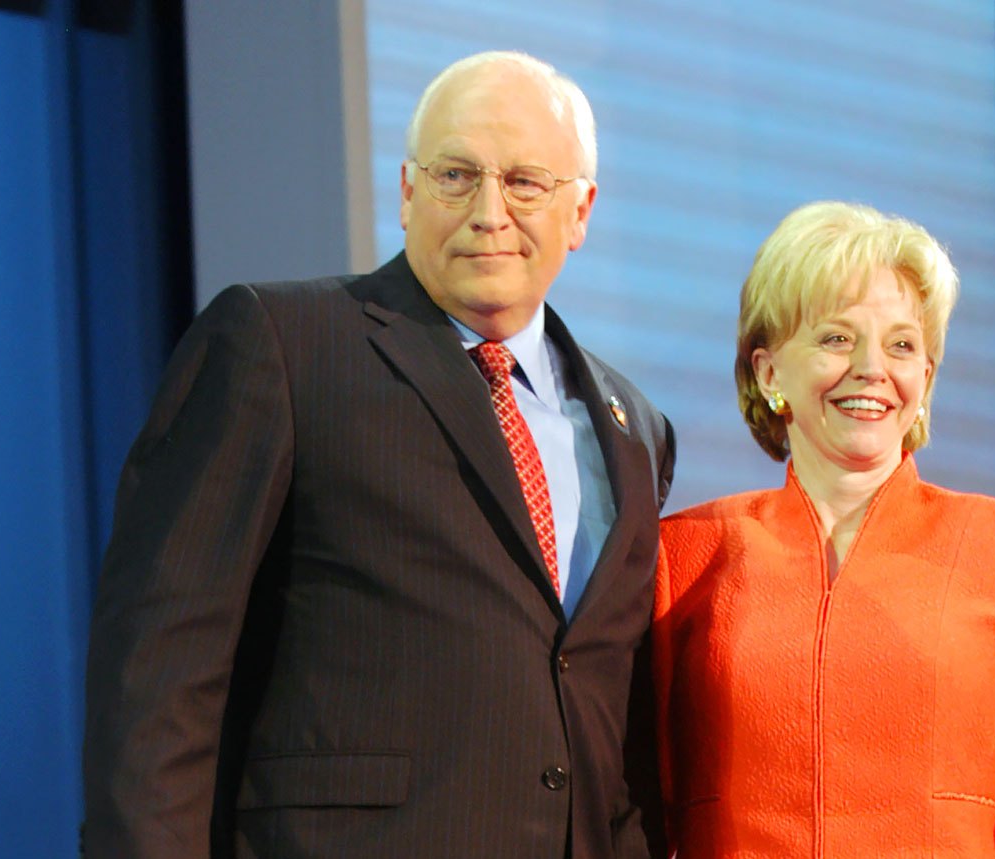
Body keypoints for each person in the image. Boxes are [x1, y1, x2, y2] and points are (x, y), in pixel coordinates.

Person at [82, 51, 675, 859]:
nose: (489, 212)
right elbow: (159, 667)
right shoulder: (280, 345)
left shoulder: (634, 429)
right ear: (405, 192)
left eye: (525, 182)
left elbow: (611, 717)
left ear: (580, 211)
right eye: (455, 175)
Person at [651, 201, 995, 857]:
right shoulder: (684, 553)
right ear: (769, 372)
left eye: (901, 345)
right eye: (836, 339)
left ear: (925, 377)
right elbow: (638, 812)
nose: (872, 367)